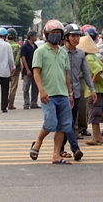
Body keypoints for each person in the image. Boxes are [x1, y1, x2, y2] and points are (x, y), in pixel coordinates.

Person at [29, 20, 75, 165]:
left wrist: (70, 93)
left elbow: (66, 74)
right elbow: (36, 72)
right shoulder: (40, 51)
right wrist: (41, 91)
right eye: (53, 33)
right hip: (48, 94)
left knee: (63, 125)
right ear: (46, 34)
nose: (55, 36)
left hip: (63, 94)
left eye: (58, 33)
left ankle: (56, 155)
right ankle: (38, 142)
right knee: (50, 122)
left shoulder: (63, 52)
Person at [60, 24, 96, 161]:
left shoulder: (80, 53)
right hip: (62, 93)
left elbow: (86, 72)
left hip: (76, 93)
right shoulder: (60, 52)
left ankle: (61, 149)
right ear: (66, 37)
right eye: (73, 36)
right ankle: (75, 149)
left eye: (78, 36)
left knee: (69, 122)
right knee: (67, 122)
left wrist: (92, 89)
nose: (76, 39)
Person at [78, 35, 103, 145]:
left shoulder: (88, 58)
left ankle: (95, 139)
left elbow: (98, 69)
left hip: (93, 92)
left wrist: (92, 84)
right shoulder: (94, 56)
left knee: (94, 115)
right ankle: (99, 137)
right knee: (97, 114)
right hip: (100, 90)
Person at [21, 30, 40, 109]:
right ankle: (26, 103)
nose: (36, 37)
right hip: (27, 69)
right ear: (31, 36)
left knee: (35, 87)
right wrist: (27, 69)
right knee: (26, 87)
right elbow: (23, 58)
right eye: (35, 36)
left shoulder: (35, 46)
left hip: (34, 69)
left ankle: (34, 103)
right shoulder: (25, 46)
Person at [6, 28, 22, 110]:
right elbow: (17, 58)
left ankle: (4, 103)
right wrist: (14, 67)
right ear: (15, 37)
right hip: (15, 69)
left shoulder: (5, 45)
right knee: (13, 87)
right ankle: (10, 104)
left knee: (5, 87)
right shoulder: (18, 46)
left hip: (5, 69)